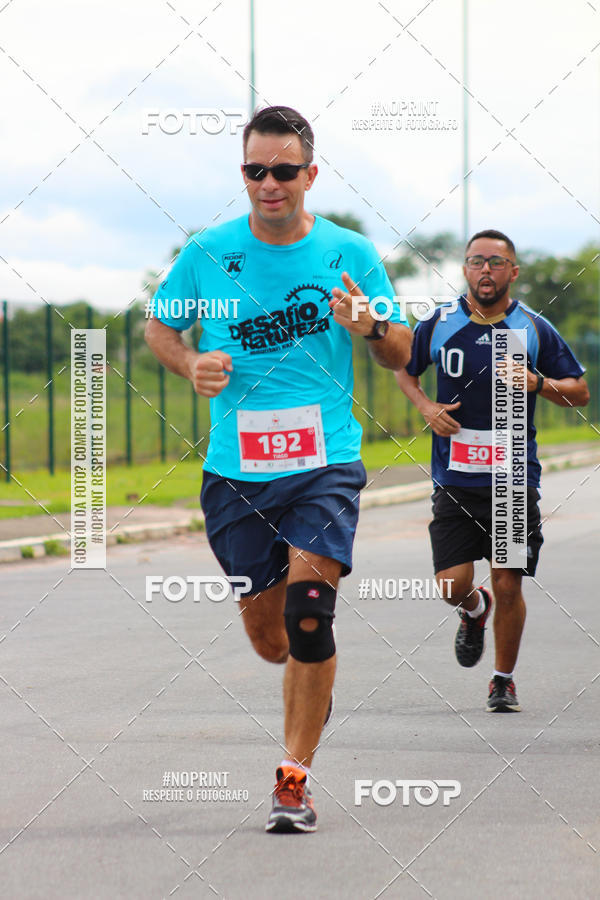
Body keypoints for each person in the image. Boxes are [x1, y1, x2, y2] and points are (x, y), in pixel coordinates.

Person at [145, 105, 412, 832]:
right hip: (236, 471)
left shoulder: (348, 254)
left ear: (310, 175)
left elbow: (399, 349)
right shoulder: (209, 252)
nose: (269, 183)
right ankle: (306, 668)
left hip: (326, 459)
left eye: (284, 171)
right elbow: (160, 323)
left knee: (309, 611)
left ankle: (294, 778)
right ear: (244, 175)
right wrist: (190, 362)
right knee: (272, 640)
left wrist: (374, 326)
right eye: (255, 171)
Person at [395, 229, 589, 712]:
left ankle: (502, 680)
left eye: (496, 262)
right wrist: (424, 405)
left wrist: (537, 381)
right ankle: (473, 611)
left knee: (508, 580)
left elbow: (579, 391)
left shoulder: (535, 328)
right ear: (464, 269)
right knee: (451, 586)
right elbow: (404, 367)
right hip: (455, 480)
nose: (486, 270)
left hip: (512, 481)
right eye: (476, 261)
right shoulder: (438, 323)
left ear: (513, 272)